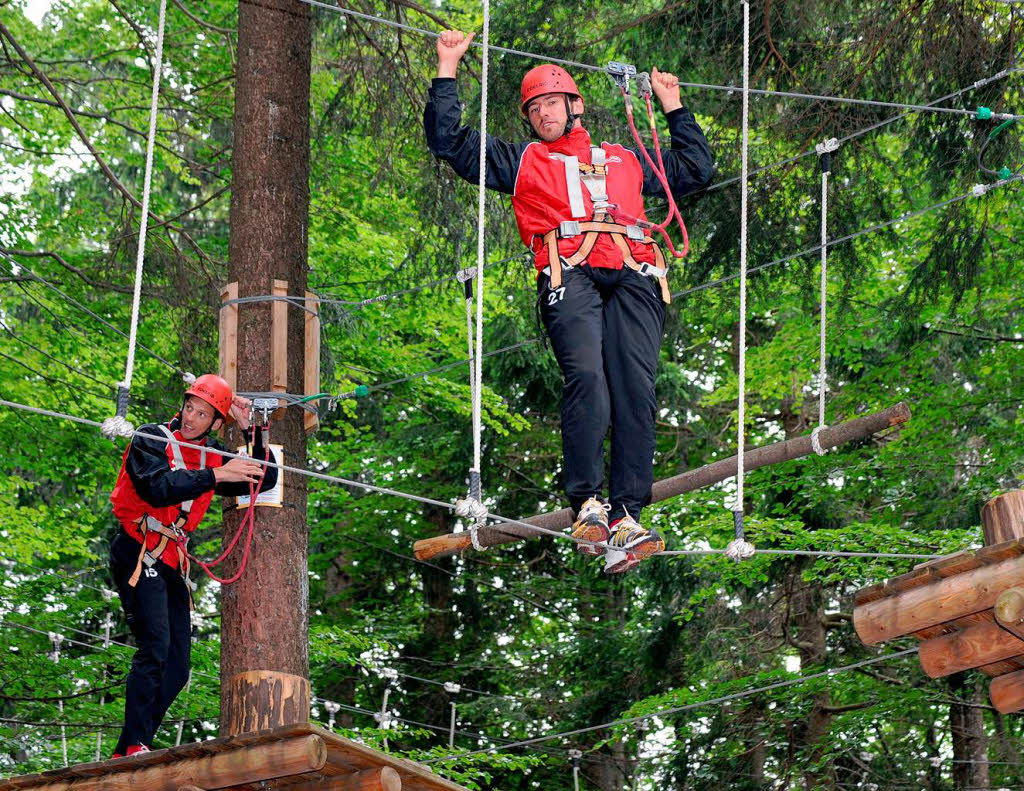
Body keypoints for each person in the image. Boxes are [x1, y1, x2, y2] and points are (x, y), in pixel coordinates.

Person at [425, 31, 714, 573]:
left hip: (634, 271)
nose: (543, 115)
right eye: (534, 109)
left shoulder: (625, 159)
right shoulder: (524, 160)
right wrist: (447, 68)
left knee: (636, 389)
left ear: (574, 105)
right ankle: (587, 501)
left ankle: (627, 515)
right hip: (570, 269)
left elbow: (694, 171)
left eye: (551, 103)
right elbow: (451, 143)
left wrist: (673, 104)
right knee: (587, 376)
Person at [108, 374, 277, 755]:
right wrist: (217, 475)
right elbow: (157, 487)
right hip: (137, 547)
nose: (191, 418)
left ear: (218, 423)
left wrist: (253, 431)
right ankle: (134, 742)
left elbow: (265, 478)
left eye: (203, 414)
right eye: (189, 408)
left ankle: (131, 746)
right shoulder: (150, 438)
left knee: (179, 665)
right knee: (155, 646)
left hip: (170, 559)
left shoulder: (213, 453)